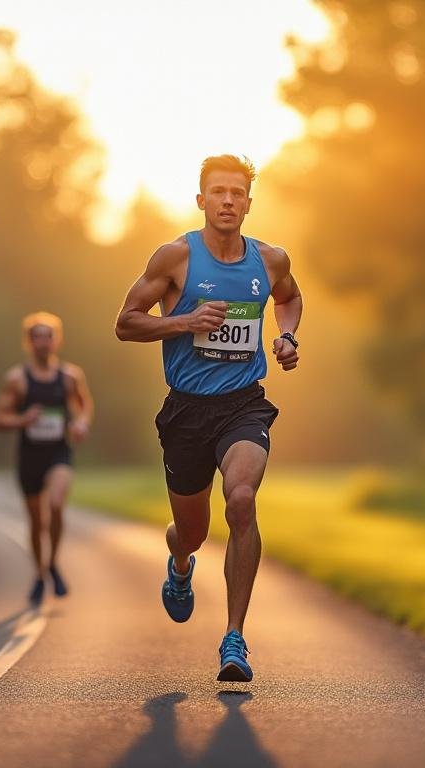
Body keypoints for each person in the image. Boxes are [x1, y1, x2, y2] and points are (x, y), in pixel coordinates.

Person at [114, 154, 303, 682]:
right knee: (191, 533)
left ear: (248, 202)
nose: (227, 200)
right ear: (201, 200)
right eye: (217, 192)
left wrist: (287, 337)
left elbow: (289, 299)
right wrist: (184, 321)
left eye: (236, 193)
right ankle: (179, 567)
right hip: (186, 412)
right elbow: (126, 323)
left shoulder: (270, 261)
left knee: (241, 499)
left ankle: (234, 638)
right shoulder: (176, 258)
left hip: (243, 404)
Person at [0, 311, 95, 605]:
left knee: (56, 503)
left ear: (56, 340)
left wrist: (81, 423)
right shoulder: (17, 380)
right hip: (29, 456)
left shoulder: (70, 377)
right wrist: (22, 419)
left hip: (58, 452)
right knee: (36, 522)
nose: (43, 342)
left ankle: (53, 562)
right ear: (28, 342)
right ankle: (40, 573)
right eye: (37, 337)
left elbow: (84, 405)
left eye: (48, 336)